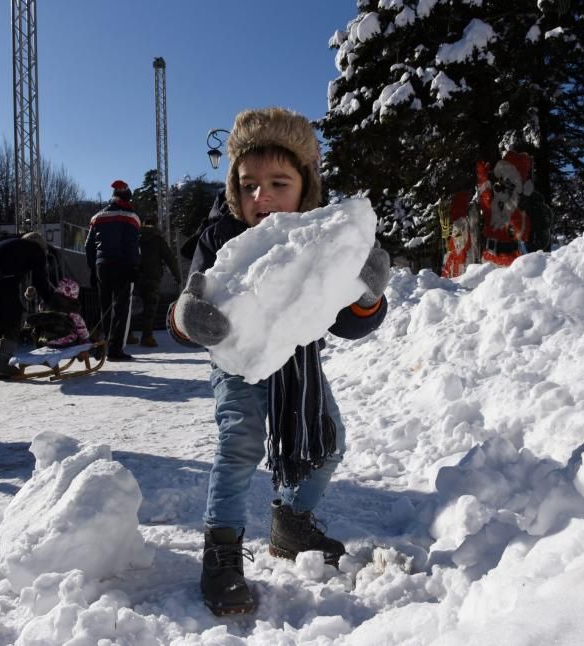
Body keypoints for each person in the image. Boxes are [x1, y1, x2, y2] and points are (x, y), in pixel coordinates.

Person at [166, 107, 390, 616]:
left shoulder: (320, 238)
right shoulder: (219, 235)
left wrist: (366, 296)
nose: (259, 198)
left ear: (306, 185)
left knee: (329, 441)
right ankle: (221, 552)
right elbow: (187, 303)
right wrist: (189, 318)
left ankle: (292, 522)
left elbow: (346, 322)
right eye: (247, 185)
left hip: (299, 363)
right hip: (238, 362)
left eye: (277, 183)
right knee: (239, 443)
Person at [0, 232, 73, 380]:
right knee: (14, 318)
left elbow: (17, 275)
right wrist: (55, 303)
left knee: (0, 322)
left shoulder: (15, 246)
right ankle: (3, 366)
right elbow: (40, 281)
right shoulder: (36, 249)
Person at [85, 180, 141, 361]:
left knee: (105, 307)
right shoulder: (131, 216)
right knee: (121, 308)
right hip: (123, 264)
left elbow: (88, 246)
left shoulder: (97, 217)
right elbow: (132, 245)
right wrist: (134, 266)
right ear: (127, 196)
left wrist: (93, 268)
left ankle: (103, 345)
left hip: (102, 265)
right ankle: (115, 349)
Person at [131, 214, 181, 347]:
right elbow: (170, 259)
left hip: (134, 277)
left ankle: (127, 334)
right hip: (152, 278)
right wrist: (178, 277)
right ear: (155, 225)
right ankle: (147, 337)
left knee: (128, 307)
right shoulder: (158, 240)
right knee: (150, 309)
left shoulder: (135, 238)